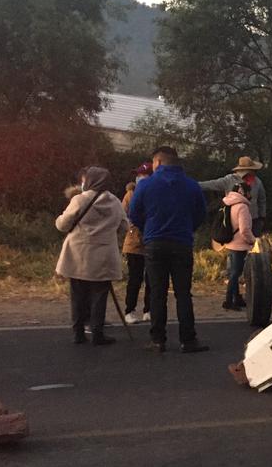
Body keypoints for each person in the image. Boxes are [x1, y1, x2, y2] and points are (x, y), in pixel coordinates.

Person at [128, 146, 209, 354]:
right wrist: (188, 228)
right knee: (183, 293)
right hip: (182, 242)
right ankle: (188, 339)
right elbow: (201, 213)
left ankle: (158, 340)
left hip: (155, 243)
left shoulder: (146, 185)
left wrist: (148, 229)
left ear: (158, 162)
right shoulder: (191, 186)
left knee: (157, 292)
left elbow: (134, 213)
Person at [55, 166, 129, 346]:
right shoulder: (115, 202)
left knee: (78, 295)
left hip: (78, 254)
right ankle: (98, 333)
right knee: (99, 295)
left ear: (88, 181)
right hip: (103, 255)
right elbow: (124, 226)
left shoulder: (79, 200)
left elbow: (63, 225)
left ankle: (78, 333)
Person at [199, 155, 267, 236]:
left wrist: (262, 217)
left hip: (253, 220)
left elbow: (262, 200)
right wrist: (192, 185)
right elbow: (211, 184)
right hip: (233, 221)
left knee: (254, 245)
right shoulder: (229, 180)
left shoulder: (257, 182)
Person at [121, 162, 152, 324]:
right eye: (138, 175)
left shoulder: (155, 193)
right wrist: (132, 225)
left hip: (151, 241)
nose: (139, 178)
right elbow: (123, 215)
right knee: (135, 278)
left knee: (152, 279)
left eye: (143, 175)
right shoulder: (130, 194)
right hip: (133, 242)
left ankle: (148, 309)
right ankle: (129, 310)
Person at [220, 181, 255, 311]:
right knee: (236, 273)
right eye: (249, 191)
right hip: (239, 245)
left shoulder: (229, 204)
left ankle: (237, 297)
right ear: (243, 192)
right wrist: (252, 241)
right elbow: (244, 229)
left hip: (229, 243)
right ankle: (229, 300)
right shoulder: (242, 207)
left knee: (233, 272)